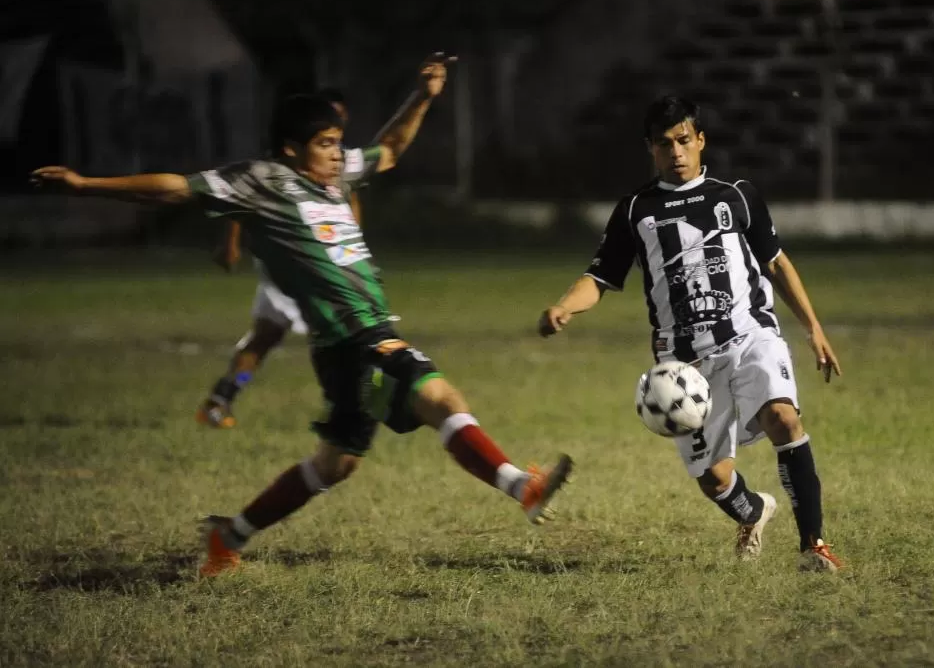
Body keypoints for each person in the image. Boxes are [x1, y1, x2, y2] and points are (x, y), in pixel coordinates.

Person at [33, 53, 573, 578]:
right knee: (438, 396)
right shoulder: (264, 180)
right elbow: (177, 187)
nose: (338, 155)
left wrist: (421, 98)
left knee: (335, 464)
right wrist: (87, 185)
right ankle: (518, 485)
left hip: (345, 346)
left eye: (338, 143)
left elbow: (388, 150)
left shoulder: (334, 179)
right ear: (292, 150)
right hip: (353, 338)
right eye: (325, 144)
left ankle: (231, 535)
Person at [537, 95, 842, 572]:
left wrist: (813, 328)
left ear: (701, 141)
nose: (675, 152)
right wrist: (564, 307)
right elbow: (599, 278)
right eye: (664, 144)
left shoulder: (737, 195)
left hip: (749, 335)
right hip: (685, 368)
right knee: (715, 481)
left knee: (783, 417)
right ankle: (755, 511)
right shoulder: (635, 210)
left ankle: (814, 546)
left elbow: (777, 263)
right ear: (650, 149)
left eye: (683, 140)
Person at [198, 87, 392, 429]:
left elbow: (351, 203)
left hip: (333, 260)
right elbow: (241, 200)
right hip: (297, 258)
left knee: (270, 335)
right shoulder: (287, 165)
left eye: (340, 120)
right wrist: (230, 242)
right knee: (357, 336)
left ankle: (223, 396)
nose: (336, 128)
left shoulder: (338, 161)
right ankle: (358, 409)